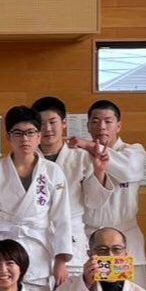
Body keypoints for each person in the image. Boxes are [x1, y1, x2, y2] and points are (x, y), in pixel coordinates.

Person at [0, 106, 73, 291]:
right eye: (18, 133)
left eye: (30, 133)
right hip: (4, 247)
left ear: (39, 136)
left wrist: (61, 259)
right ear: (8, 137)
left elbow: (62, 218)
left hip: (38, 247)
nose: (24, 139)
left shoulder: (52, 171)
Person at [33, 96, 112, 277]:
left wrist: (99, 172)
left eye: (52, 122)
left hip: (71, 237)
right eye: (42, 124)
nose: (47, 129)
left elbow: (94, 201)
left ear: (64, 123)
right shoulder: (28, 159)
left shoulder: (81, 157)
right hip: (37, 236)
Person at [75, 100, 146, 287]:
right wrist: (88, 149)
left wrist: (91, 146)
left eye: (108, 121)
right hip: (91, 237)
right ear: (88, 125)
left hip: (125, 238)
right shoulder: (80, 156)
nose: (102, 126)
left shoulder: (134, 151)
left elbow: (128, 171)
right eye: (95, 121)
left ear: (119, 126)